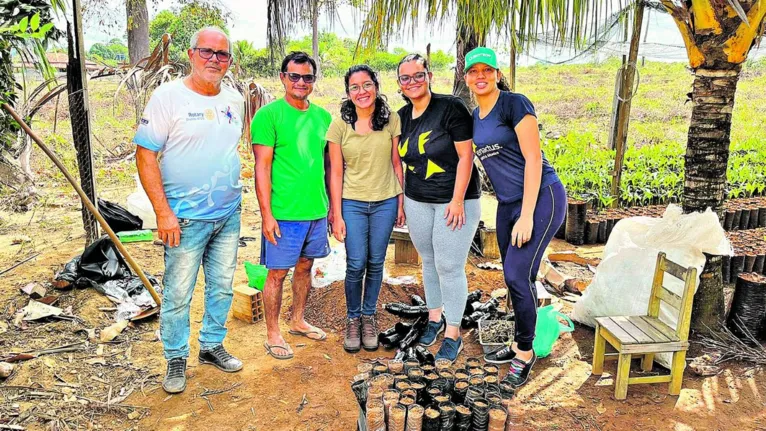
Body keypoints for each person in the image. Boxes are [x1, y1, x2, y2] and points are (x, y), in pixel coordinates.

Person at [134, 27, 245, 394]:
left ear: (230, 61)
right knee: (179, 292)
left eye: (222, 54)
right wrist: (163, 212)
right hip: (183, 218)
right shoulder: (169, 97)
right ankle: (176, 355)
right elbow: (145, 154)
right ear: (191, 53)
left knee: (222, 287)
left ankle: (212, 345)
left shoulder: (235, 99)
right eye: (207, 52)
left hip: (228, 213)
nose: (214, 60)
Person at [464, 47, 567, 388]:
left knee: (516, 274)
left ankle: (524, 352)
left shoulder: (514, 103)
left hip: (541, 198)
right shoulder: (475, 117)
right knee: (518, 278)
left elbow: (533, 160)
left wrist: (526, 216)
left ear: (497, 73)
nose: (480, 76)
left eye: (487, 70)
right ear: (466, 77)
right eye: (473, 71)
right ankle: (525, 335)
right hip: (508, 203)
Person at [396, 54, 482, 362]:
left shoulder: (451, 108)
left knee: (449, 265)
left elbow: (466, 157)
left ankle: (453, 333)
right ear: (399, 84)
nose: (413, 82)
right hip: (418, 199)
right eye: (406, 78)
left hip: (454, 201)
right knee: (429, 261)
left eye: (418, 75)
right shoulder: (402, 116)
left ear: (429, 76)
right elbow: (400, 161)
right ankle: (435, 318)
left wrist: (457, 199)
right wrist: (402, 200)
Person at [251, 51, 333, 360]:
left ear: (314, 80)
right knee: (277, 274)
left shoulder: (323, 118)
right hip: (284, 213)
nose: (301, 82)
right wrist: (267, 215)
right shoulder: (269, 116)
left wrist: (331, 211)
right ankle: (273, 332)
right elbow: (262, 167)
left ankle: (297, 319)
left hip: (316, 211)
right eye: (294, 76)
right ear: (283, 77)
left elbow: (329, 167)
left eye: (307, 77)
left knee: (306, 267)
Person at [327, 65, 405, 353]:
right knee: (356, 263)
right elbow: (335, 173)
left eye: (367, 85)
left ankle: (369, 317)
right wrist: (336, 213)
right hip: (353, 203)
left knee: (376, 262)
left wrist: (401, 200)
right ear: (348, 92)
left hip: (385, 201)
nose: (362, 92)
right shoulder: (339, 126)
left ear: (376, 85)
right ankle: (353, 318)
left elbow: (397, 164)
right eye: (355, 87)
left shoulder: (391, 120)